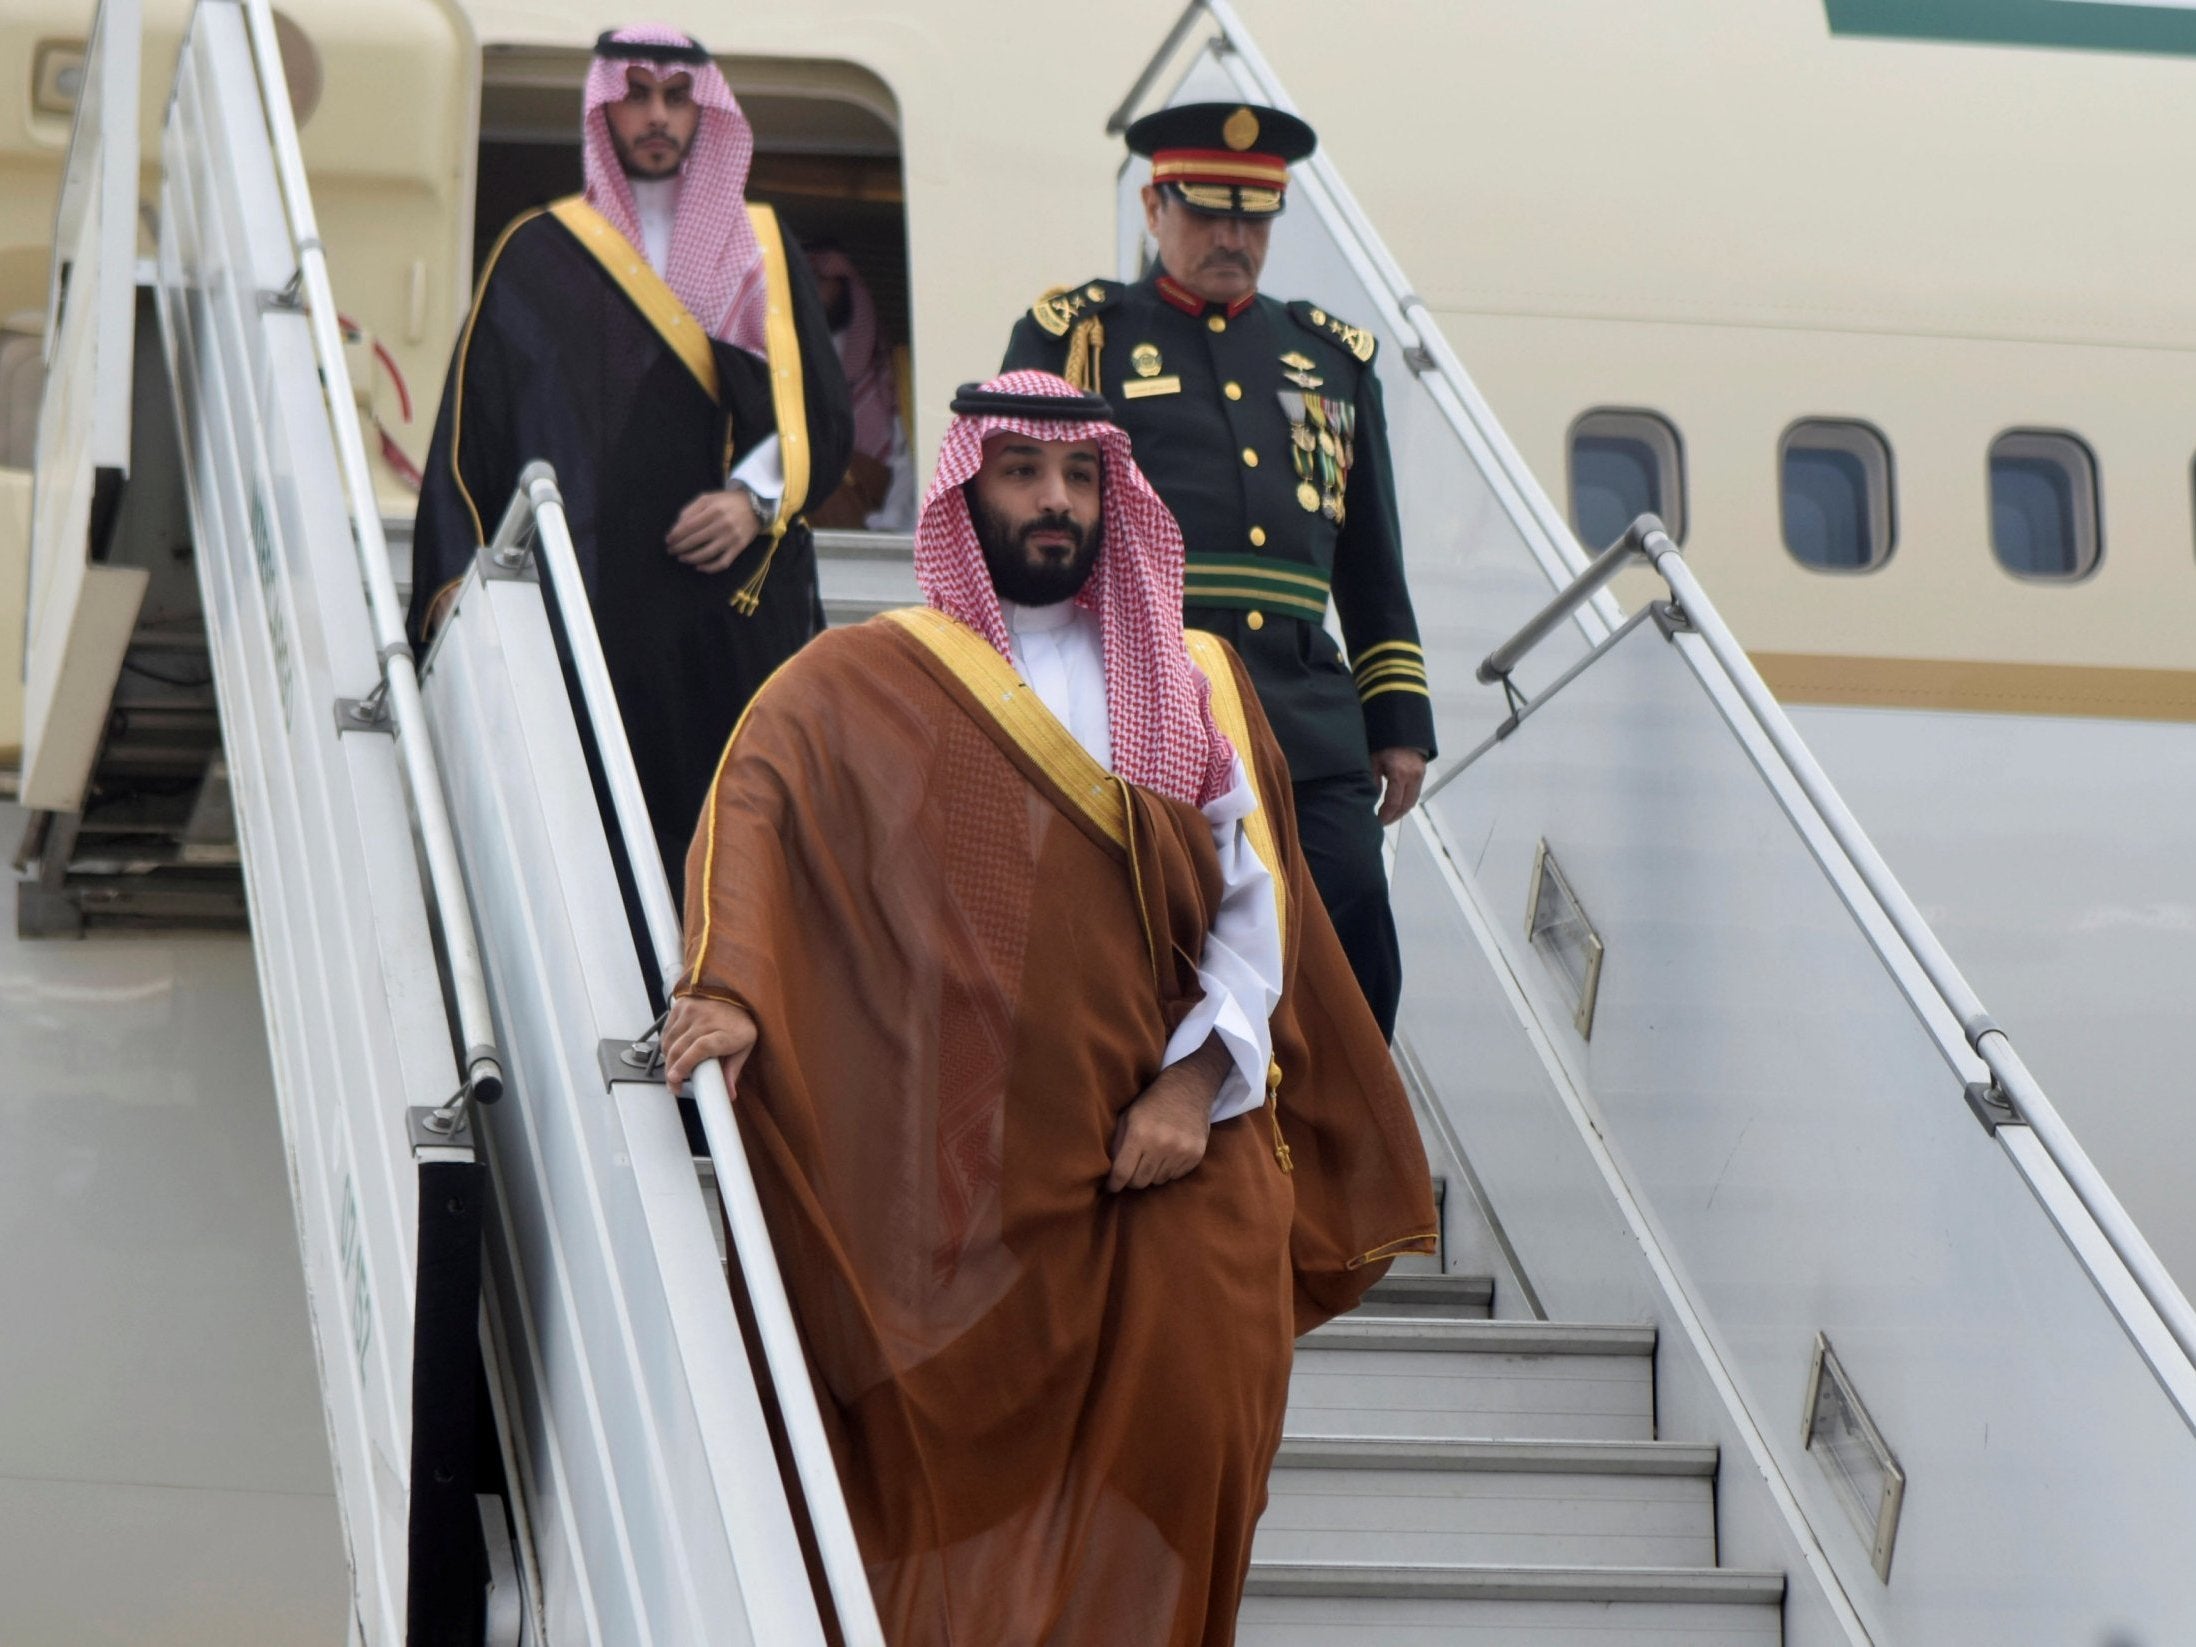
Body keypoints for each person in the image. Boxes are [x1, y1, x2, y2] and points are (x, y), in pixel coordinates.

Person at [662, 371, 1435, 1643]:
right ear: (969, 486)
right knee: (964, 1500)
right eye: (1023, 473)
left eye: (1079, 478)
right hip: (987, 1162)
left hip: (1195, 1143)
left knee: (1197, 1439)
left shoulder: (1201, 679)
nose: (1055, 503)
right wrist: (733, 988)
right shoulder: (883, 676)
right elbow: (760, 793)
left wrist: (1191, 1090)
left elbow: (1262, 910)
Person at [1001, 102, 1433, 1040]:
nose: (1234, 236)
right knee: (1164, 933)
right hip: (1150, 683)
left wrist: (1399, 722)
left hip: (1303, 703)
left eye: (1256, 216)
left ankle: (1341, 1143)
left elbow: (1370, 561)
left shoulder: (1329, 359)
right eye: (1207, 211)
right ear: (1155, 210)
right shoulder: (1085, 337)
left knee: (1350, 904)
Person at [408, 24, 852, 887]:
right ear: (603, 106)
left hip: (731, 612)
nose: (657, 115)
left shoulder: (760, 244)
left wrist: (752, 499)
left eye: (677, 96)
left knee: (742, 839)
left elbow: (820, 418)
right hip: (590, 610)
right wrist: (456, 586)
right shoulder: (537, 251)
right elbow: (471, 430)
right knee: (593, 841)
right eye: (636, 93)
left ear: (705, 109)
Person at [802, 242, 916, 530]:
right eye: (806, 284)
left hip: (870, 499)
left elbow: (908, 458)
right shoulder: (786, 360)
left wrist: (894, 521)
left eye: (820, 283)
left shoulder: (890, 371)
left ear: (847, 289)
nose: (812, 294)